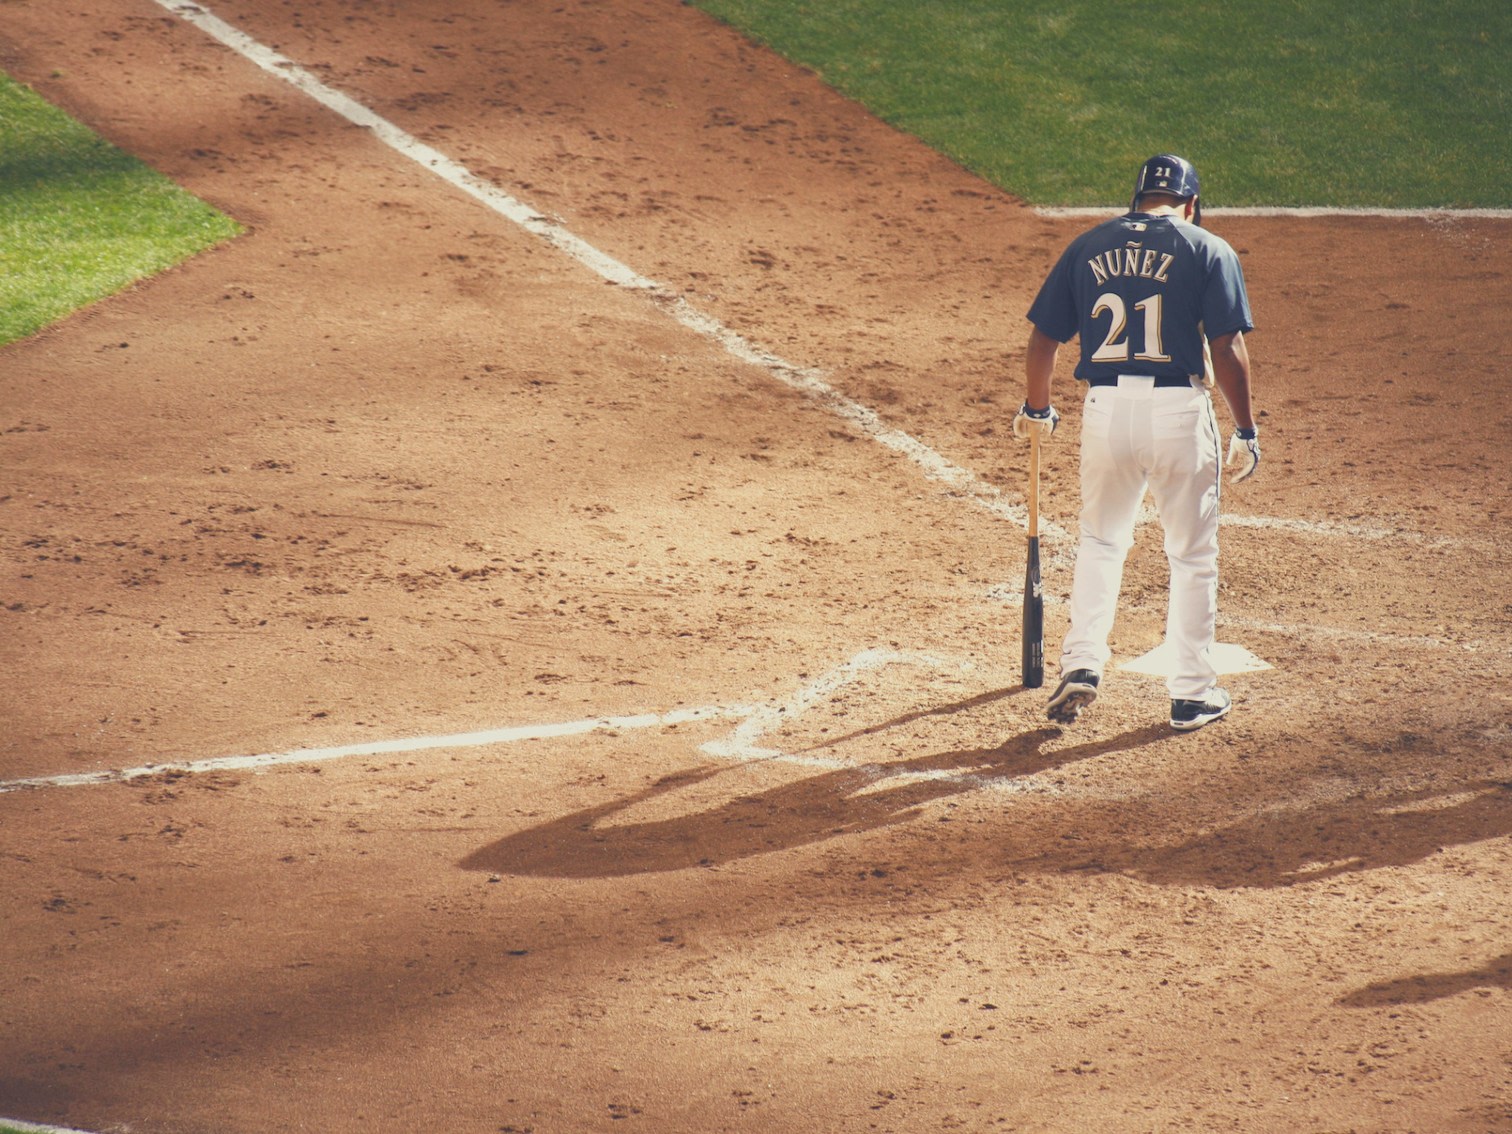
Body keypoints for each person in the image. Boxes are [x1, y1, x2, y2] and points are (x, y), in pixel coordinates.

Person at [1012, 153, 1261, 731]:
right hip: (1177, 412)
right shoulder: (1208, 247)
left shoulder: (1089, 245)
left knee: (1101, 541)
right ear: (1191, 203)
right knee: (1192, 557)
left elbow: (1044, 339)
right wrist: (1245, 428)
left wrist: (1038, 406)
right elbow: (1227, 350)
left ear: (1136, 200)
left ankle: (1082, 664)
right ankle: (1192, 694)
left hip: (1105, 413)